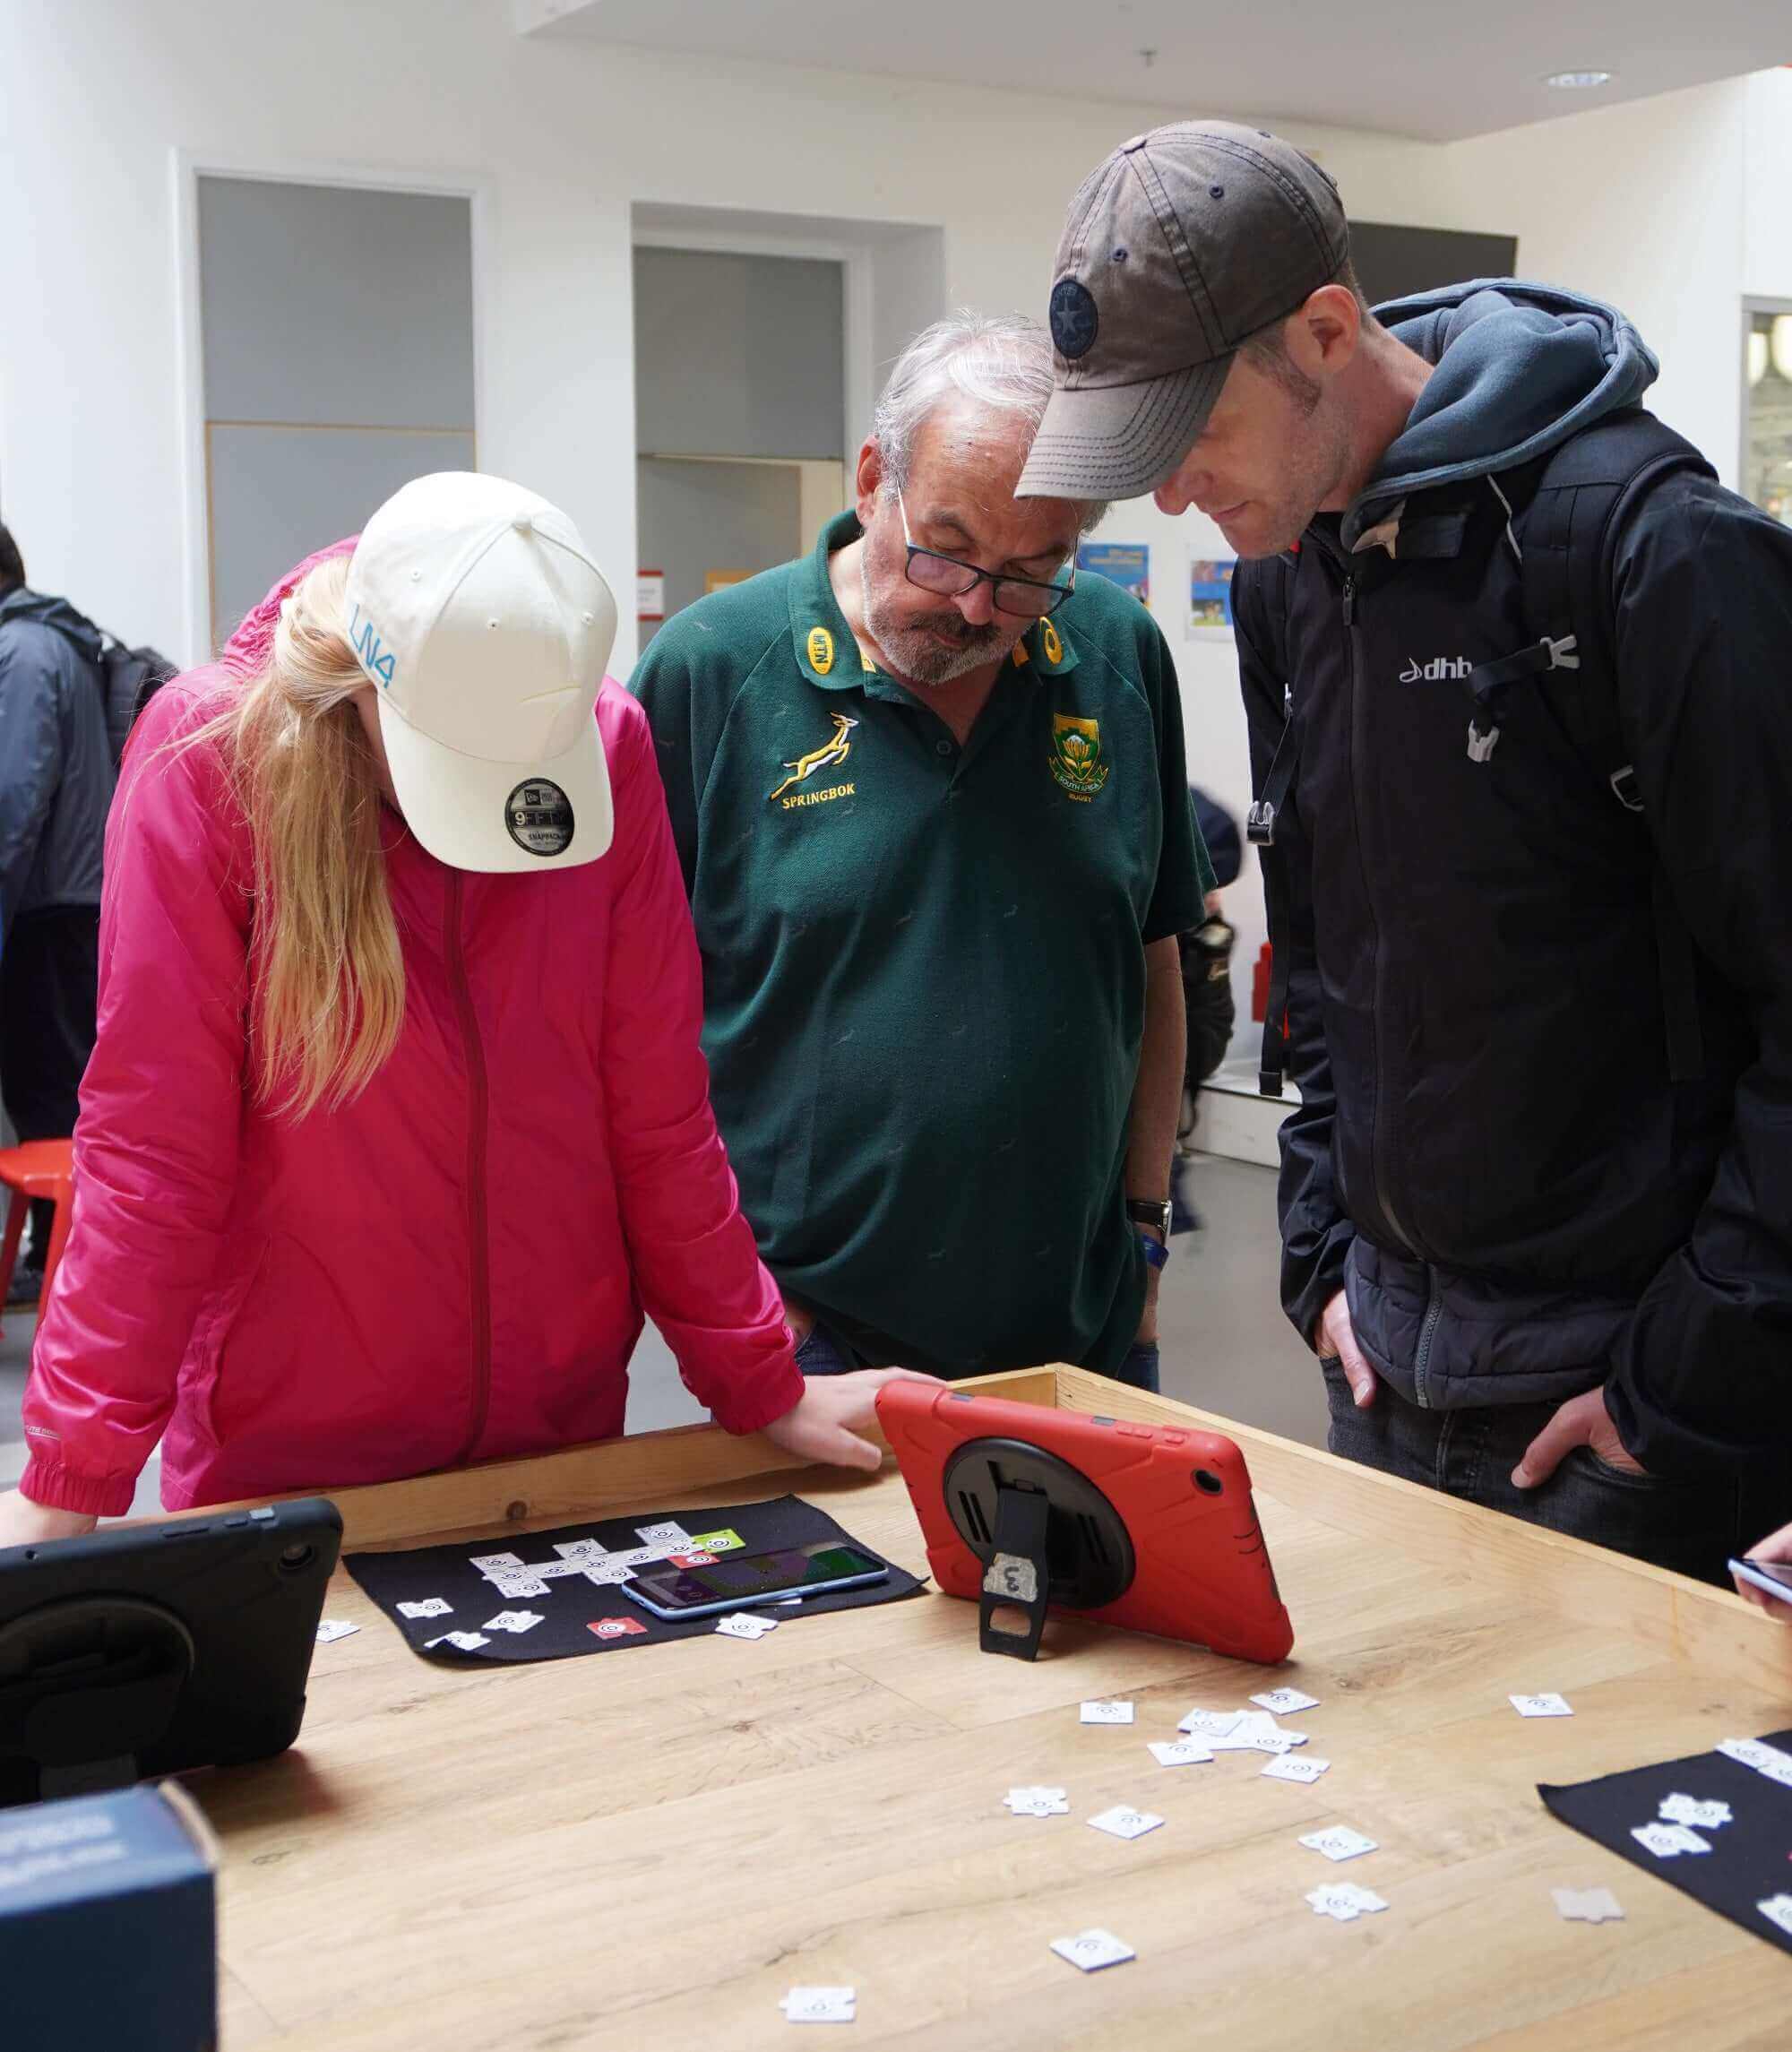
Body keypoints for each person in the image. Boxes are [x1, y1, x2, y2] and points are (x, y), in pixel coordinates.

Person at [1021, 122, 1792, 1582]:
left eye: (1190, 440)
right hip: (1379, 1371)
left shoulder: (1652, 550)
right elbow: (1320, 957)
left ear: (1322, 335)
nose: (1172, 497)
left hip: (1625, 1410)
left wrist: (1683, 1378)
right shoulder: (1290, 583)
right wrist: (1318, 1259)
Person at [0, 474, 929, 1547]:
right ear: (365, 687)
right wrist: (73, 1475)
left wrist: (759, 1380)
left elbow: (657, 1111)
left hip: (560, 1434)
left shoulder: (606, 744)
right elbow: (154, 1150)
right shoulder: (212, 757)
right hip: (291, 1454)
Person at [630, 315, 1211, 1393]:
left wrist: (1144, 1224)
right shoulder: (712, 670)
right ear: (869, 481)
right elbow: (619, 1026)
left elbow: (1150, 957)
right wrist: (741, 1298)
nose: (975, 607)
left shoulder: (1115, 653)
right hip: (809, 1333)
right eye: (945, 550)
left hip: (1084, 1317)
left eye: (1030, 572)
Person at [0, 522, 114, 1302]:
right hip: (71, 902)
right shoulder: (53, 641)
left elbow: (13, 797)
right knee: (60, 1095)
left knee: (54, 1099)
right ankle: (55, 1260)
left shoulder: (23, 651)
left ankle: (75, 1273)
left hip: (50, 907)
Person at [1170, 786, 1242, 1234]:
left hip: (1160, 1175)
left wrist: (1208, 965)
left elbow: (1201, 1058)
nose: (1215, 901)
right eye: (1207, 884)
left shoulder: (1197, 945)